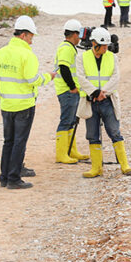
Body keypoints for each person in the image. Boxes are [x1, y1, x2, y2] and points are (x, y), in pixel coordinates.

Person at [0, 15, 56, 189]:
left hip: (6, 105)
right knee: (19, 142)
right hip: (24, 106)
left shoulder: (1, 53)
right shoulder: (27, 55)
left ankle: (4, 177)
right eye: (31, 37)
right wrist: (48, 77)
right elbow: (32, 79)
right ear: (23, 35)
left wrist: (4, 96)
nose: (32, 41)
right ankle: (14, 179)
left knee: (8, 141)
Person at [78, 27, 131, 177]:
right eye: (103, 46)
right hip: (91, 102)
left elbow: (115, 77)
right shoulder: (82, 58)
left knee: (114, 132)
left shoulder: (112, 57)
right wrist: (95, 92)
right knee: (92, 135)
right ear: (94, 43)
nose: (106, 48)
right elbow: (81, 78)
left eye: (107, 46)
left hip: (107, 101)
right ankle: (96, 168)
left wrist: (104, 93)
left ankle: (125, 165)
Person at [53, 19, 90, 164]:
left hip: (69, 91)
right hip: (67, 91)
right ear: (74, 34)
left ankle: (71, 150)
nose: (80, 38)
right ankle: (61, 154)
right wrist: (72, 87)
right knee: (66, 121)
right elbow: (64, 68)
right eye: (78, 34)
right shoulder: (66, 48)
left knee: (72, 121)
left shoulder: (68, 47)